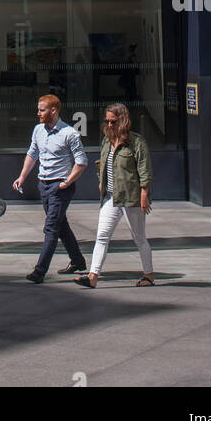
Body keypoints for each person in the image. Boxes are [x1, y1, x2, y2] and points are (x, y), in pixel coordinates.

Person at [77, 102, 154, 288]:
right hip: (111, 197)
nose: (110, 125)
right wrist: (101, 181)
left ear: (123, 120)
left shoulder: (136, 142)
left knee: (139, 238)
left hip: (130, 198)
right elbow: (103, 163)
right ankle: (93, 276)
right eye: (107, 121)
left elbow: (144, 170)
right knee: (102, 235)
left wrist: (144, 194)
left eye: (114, 121)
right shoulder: (107, 141)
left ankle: (148, 275)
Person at [13, 94, 88, 283]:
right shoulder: (38, 130)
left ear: (53, 111)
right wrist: (22, 176)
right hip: (43, 184)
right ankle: (78, 261)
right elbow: (32, 154)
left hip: (60, 186)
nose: (38, 113)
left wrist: (67, 182)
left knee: (51, 228)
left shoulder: (69, 133)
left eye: (42, 110)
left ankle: (39, 271)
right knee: (61, 224)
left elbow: (81, 162)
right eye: (38, 109)